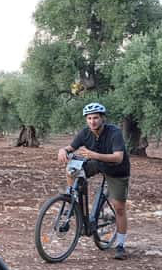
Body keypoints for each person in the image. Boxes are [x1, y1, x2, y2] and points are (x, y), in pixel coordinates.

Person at [56, 102, 131, 260]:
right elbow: (71, 147)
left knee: (119, 208)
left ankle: (120, 245)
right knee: (72, 168)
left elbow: (118, 157)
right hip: (97, 164)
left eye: (96, 118)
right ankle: (72, 198)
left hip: (117, 170)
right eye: (89, 118)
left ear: (103, 118)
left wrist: (93, 155)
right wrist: (63, 150)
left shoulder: (114, 132)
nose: (92, 121)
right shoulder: (85, 133)